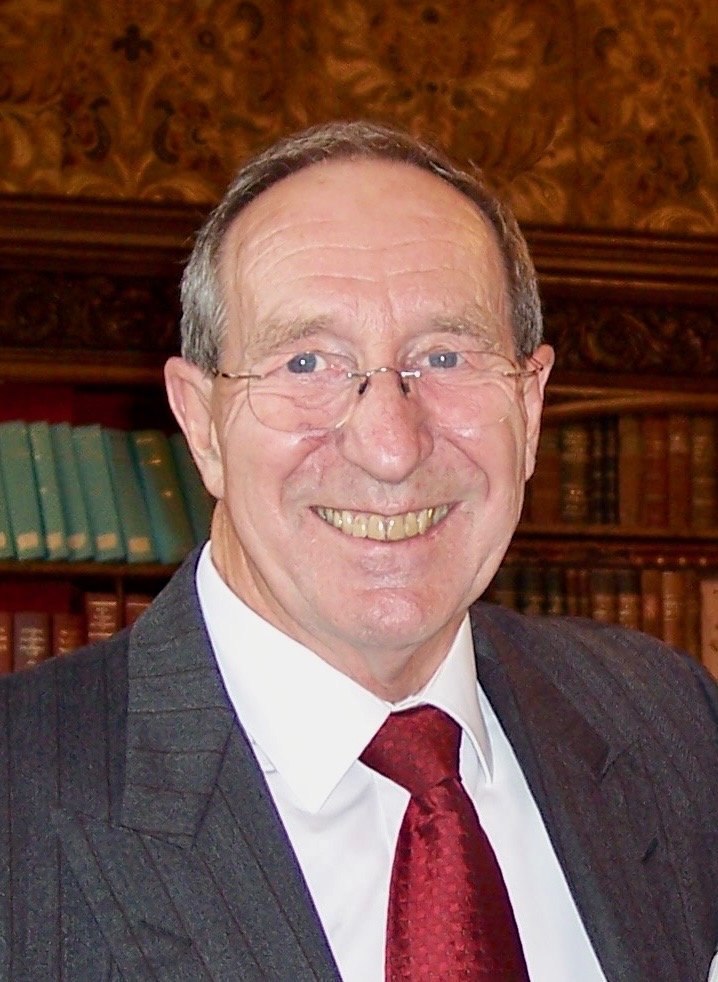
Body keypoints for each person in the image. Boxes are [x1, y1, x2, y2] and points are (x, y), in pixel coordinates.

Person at [1, 121, 716, 982]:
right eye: (308, 363)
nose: (391, 446)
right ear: (202, 424)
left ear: (529, 409)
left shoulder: (672, 723)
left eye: (444, 356)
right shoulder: (18, 801)